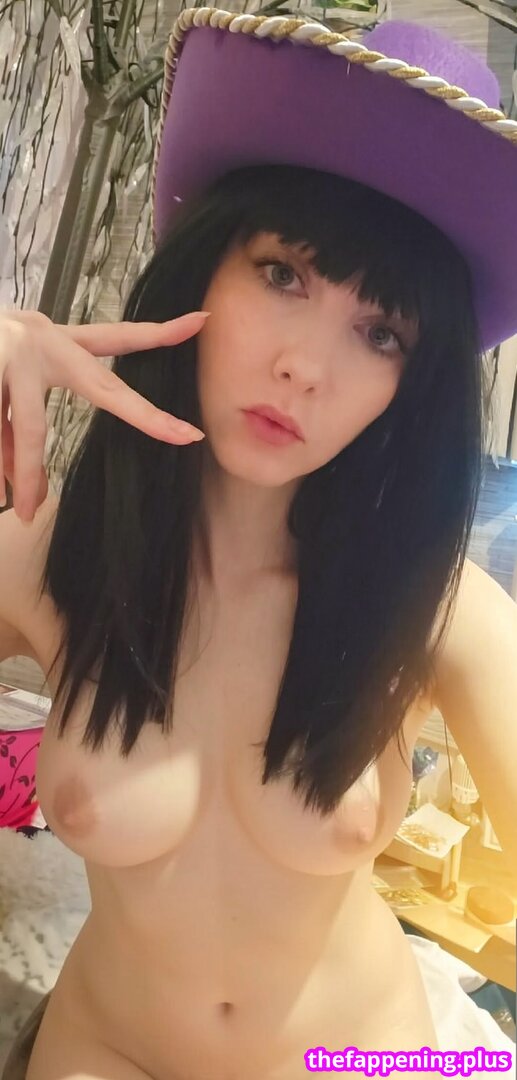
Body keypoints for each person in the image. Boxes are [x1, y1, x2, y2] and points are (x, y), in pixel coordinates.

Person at [0, 7, 515, 1079]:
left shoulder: (436, 607)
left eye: (380, 332)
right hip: (108, 1048)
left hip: (352, 1056)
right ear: (203, 269)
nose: (306, 368)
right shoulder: (48, 554)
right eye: (284, 274)